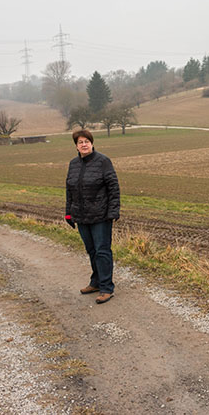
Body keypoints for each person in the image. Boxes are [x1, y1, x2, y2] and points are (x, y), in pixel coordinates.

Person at [65, 128, 120, 304]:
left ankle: (106, 288)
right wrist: (68, 213)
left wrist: (113, 211)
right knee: (91, 251)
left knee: (102, 251)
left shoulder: (103, 161)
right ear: (76, 146)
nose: (84, 144)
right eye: (80, 142)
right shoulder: (73, 164)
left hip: (100, 215)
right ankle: (96, 282)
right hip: (81, 216)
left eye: (86, 141)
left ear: (92, 143)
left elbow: (113, 187)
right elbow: (70, 190)